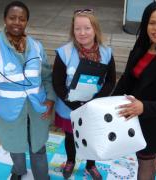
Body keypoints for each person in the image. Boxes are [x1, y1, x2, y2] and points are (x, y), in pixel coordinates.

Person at [0, 1, 55, 180]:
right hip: (9, 110)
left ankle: (42, 177)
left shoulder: (36, 46)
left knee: (38, 147)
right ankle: (18, 171)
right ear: (5, 19)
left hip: (37, 108)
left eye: (22, 19)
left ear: (27, 22)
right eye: (12, 18)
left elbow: (47, 76)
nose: (17, 22)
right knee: (15, 146)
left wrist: (50, 99)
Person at [52, 9, 116, 180]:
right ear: (73, 30)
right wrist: (74, 105)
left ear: (95, 29)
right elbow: (57, 83)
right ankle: (71, 160)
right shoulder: (64, 53)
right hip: (69, 107)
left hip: (94, 106)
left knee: (93, 137)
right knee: (70, 136)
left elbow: (110, 81)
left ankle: (90, 164)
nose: (82, 33)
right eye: (77, 28)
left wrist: (94, 102)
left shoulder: (106, 53)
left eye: (87, 28)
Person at [112, 1, 156, 179]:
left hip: (155, 120)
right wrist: (110, 100)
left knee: (145, 159)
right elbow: (127, 78)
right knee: (149, 157)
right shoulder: (142, 46)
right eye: (152, 23)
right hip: (135, 116)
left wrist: (143, 107)